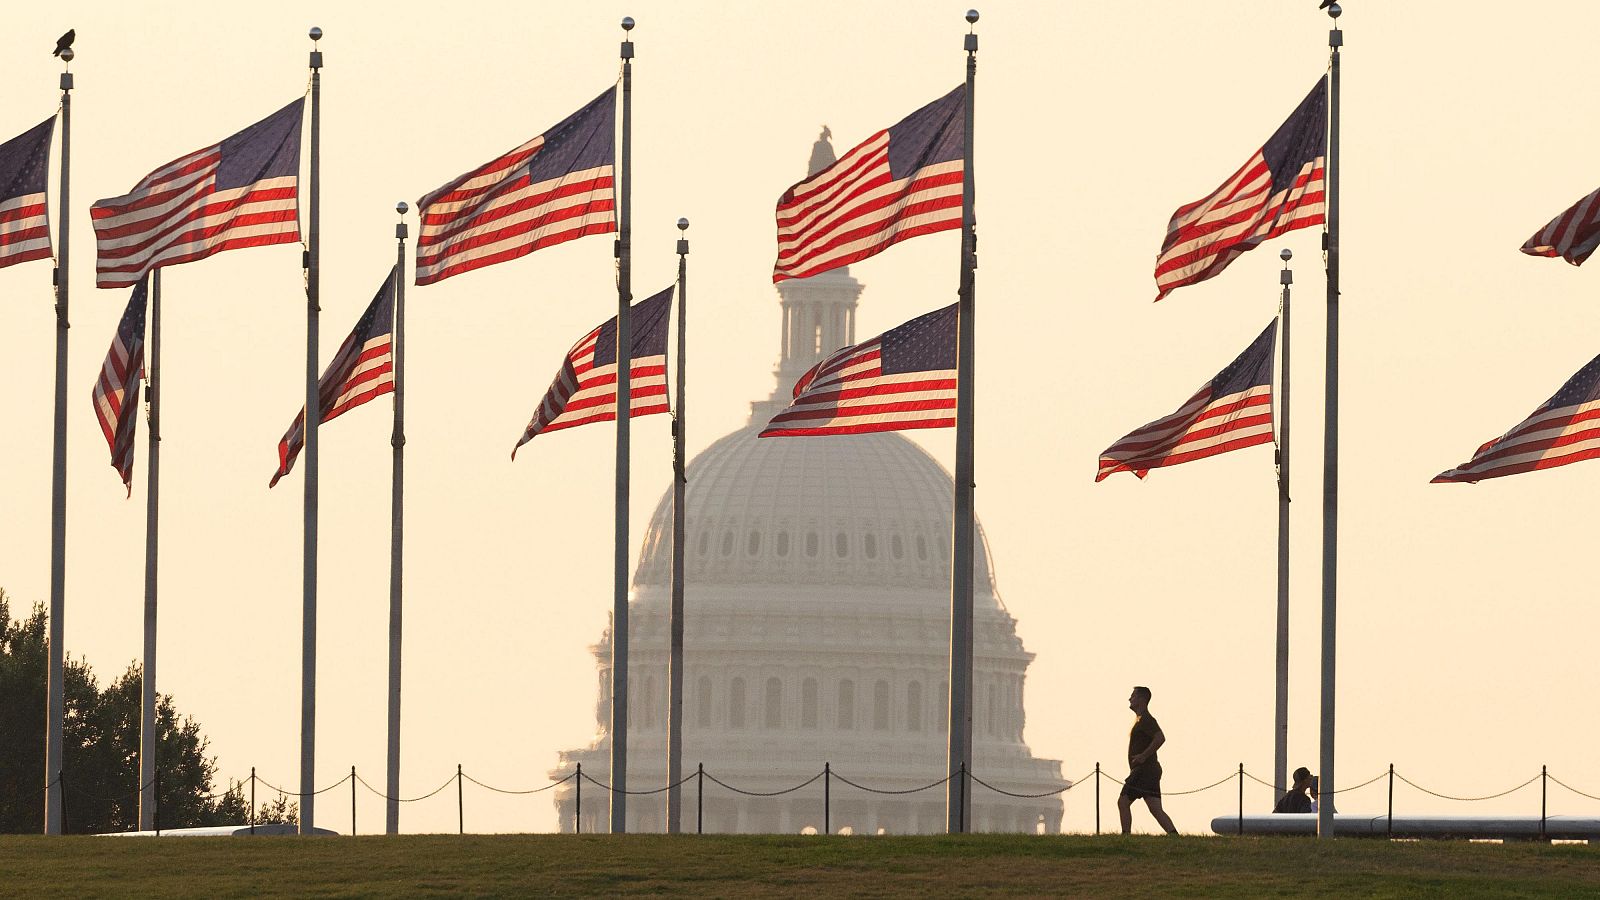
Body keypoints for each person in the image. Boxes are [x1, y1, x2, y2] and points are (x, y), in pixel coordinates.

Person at [1118, 686, 1178, 835]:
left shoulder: (1147, 720)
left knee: (1123, 801)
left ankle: (1125, 837)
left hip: (1144, 770)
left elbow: (1160, 738)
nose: (1130, 699)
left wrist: (1143, 756)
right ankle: (1174, 836)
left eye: (1133, 696)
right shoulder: (1140, 720)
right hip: (1149, 770)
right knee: (1155, 808)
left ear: (1142, 699)